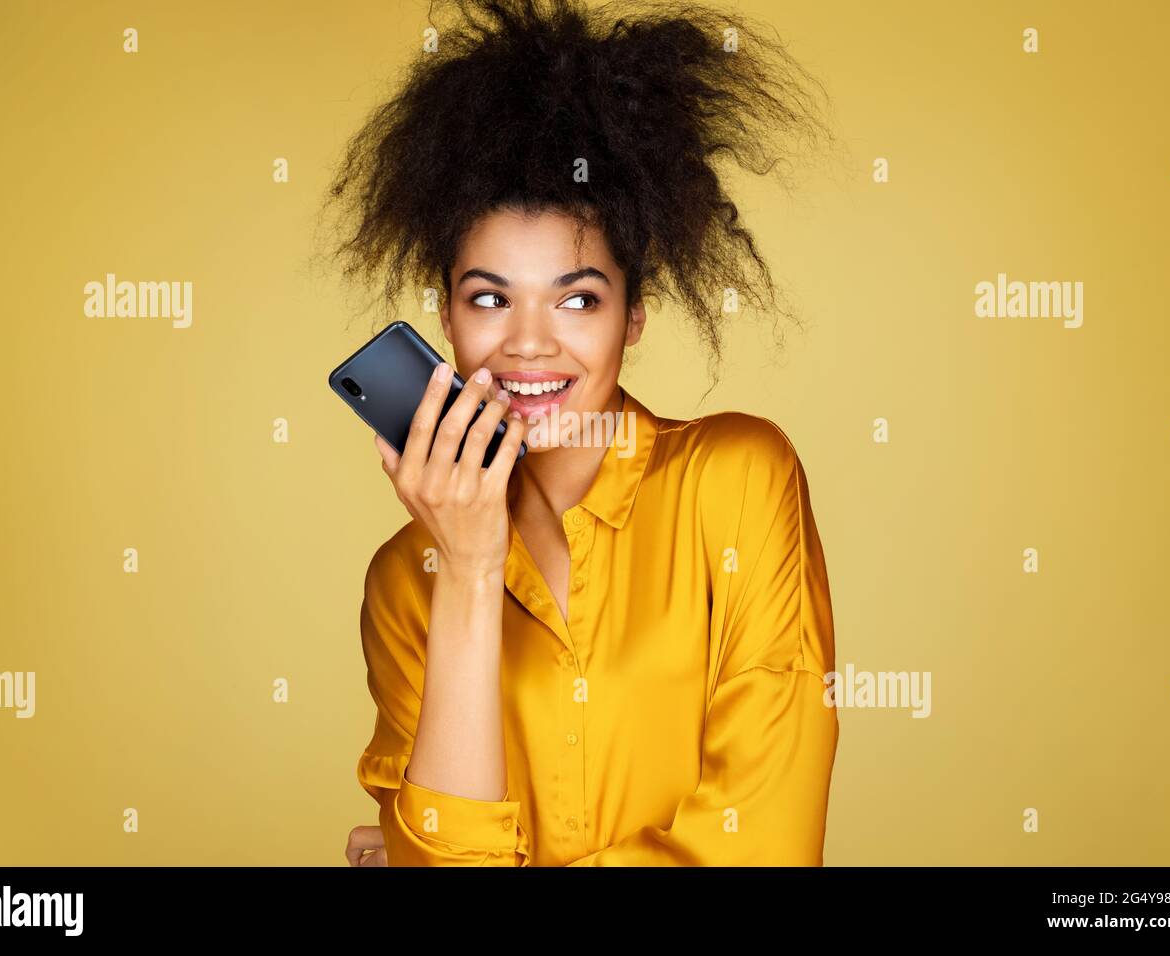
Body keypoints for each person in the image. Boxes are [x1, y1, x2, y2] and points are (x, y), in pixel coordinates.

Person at [327, 0, 838, 866]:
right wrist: (469, 566)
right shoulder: (404, 582)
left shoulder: (741, 481)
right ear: (446, 316)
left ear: (633, 316)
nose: (528, 342)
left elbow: (763, 847)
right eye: (488, 298)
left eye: (577, 299)